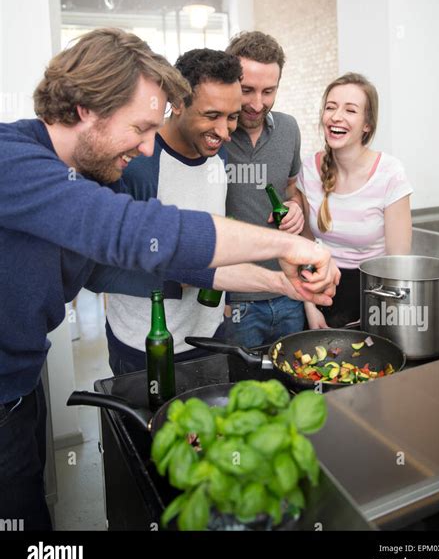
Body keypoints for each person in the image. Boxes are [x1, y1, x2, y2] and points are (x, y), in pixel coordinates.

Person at [0, 28, 339, 530]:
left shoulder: (82, 172)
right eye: (139, 127)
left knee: (32, 514)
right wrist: (289, 244)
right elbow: (138, 232)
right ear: (86, 108)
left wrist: (282, 284)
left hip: (21, 385)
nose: (144, 147)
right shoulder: (13, 160)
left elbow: (176, 261)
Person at [101, 48, 318, 373]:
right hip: (146, 344)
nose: (224, 131)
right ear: (178, 102)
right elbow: (113, 264)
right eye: (211, 115)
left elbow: (215, 239)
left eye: (232, 117)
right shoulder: (138, 164)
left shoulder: (219, 156)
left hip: (210, 337)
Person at [296, 72, 412, 329]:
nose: (336, 116)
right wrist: (310, 307)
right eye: (330, 107)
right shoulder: (309, 170)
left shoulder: (390, 173)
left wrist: (377, 311)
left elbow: (398, 262)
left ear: (367, 124)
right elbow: (302, 247)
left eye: (350, 110)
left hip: (375, 292)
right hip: (321, 293)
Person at [223, 31, 306, 348]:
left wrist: (296, 208)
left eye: (268, 91)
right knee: (244, 392)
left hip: (288, 290)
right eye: (247, 90)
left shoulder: (289, 129)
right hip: (235, 301)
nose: (258, 104)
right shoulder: (213, 135)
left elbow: (291, 191)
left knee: (294, 386)